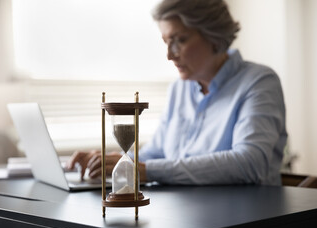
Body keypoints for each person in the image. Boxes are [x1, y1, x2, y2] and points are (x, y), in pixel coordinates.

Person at [67, 0, 287, 186]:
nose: (169, 56)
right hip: (188, 212)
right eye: (166, 42)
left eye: (179, 40)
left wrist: (145, 171)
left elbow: (249, 163)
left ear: (214, 35)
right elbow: (158, 151)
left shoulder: (259, 82)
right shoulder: (179, 89)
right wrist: (116, 161)